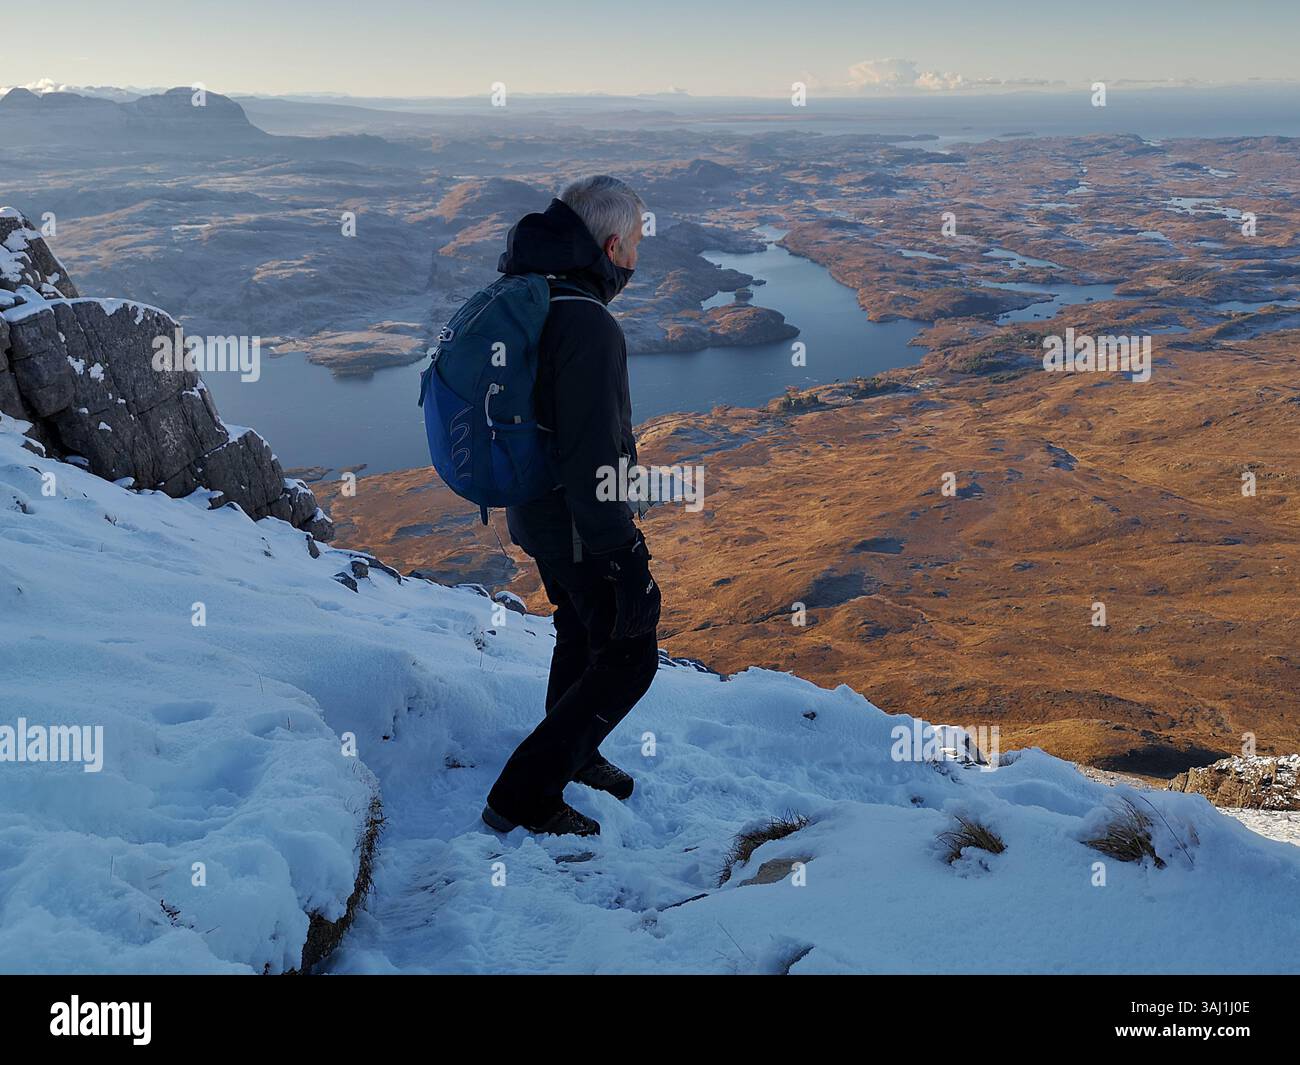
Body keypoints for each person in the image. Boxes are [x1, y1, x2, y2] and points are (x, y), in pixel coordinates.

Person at [482, 175, 661, 838]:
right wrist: (625, 556)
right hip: (579, 521)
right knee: (630, 650)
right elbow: (594, 459)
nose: (637, 257)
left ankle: (575, 755)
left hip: (534, 510)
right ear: (613, 246)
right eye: (636, 243)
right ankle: (523, 794)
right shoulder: (586, 322)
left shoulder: (534, 294)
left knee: (580, 630)